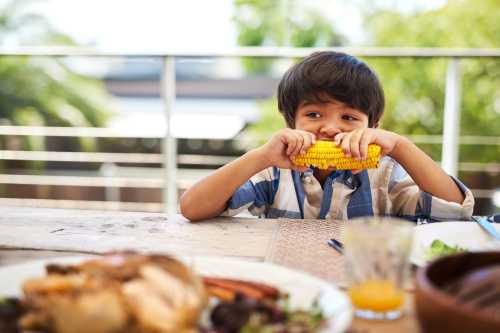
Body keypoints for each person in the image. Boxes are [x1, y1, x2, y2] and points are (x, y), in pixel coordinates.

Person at [180, 51, 474, 222]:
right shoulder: (274, 172)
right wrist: (259, 157)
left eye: (348, 117)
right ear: (290, 121)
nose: (331, 128)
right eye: (314, 115)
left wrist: (400, 146)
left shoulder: (385, 173)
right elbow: (192, 208)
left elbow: (454, 213)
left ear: (373, 126)